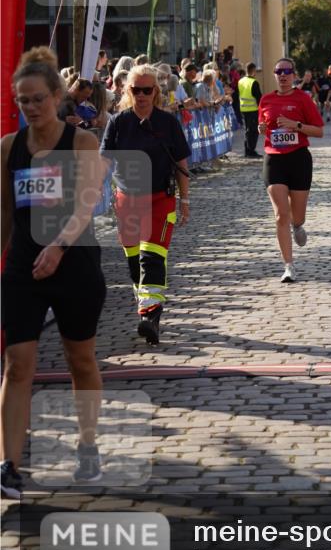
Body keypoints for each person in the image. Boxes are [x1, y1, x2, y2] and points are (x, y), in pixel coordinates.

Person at [1, 48, 106, 498]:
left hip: (75, 263)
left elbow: (85, 204)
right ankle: (9, 465)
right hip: (25, 266)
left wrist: (59, 247)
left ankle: (87, 447)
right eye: (22, 100)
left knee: (79, 359)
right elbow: (5, 213)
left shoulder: (81, 143)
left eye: (37, 99)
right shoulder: (8, 147)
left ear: (58, 96)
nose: (30, 108)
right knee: (17, 363)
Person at [100, 65, 191, 345]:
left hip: (160, 199)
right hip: (126, 200)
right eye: (136, 90)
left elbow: (181, 163)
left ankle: (150, 317)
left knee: (151, 256)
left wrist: (184, 200)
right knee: (132, 260)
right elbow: (104, 161)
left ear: (156, 92)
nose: (141, 95)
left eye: (147, 90)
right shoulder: (118, 123)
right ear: (128, 91)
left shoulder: (168, 123)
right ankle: (147, 309)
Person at [258, 58, 324, 283]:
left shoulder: (303, 99)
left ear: (293, 75)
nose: (283, 76)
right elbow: (263, 127)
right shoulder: (266, 99)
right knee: (280, 214)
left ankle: (298, 225)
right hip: (274, 159)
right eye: (279, 72)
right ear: (274, 74)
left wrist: (295, 125)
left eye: (287, 72)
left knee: (297, 214)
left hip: (299, 159)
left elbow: (318, 131)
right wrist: (262, 128)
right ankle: (288, 266)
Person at [237, 62, 262, 158]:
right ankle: (251, 150)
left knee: (247, 130)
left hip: (243, 109)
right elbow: (259, 97)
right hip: (252, 109)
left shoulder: (241, 81)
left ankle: (247, 150)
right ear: (254, 70)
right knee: (253, 131)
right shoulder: (253, 82)